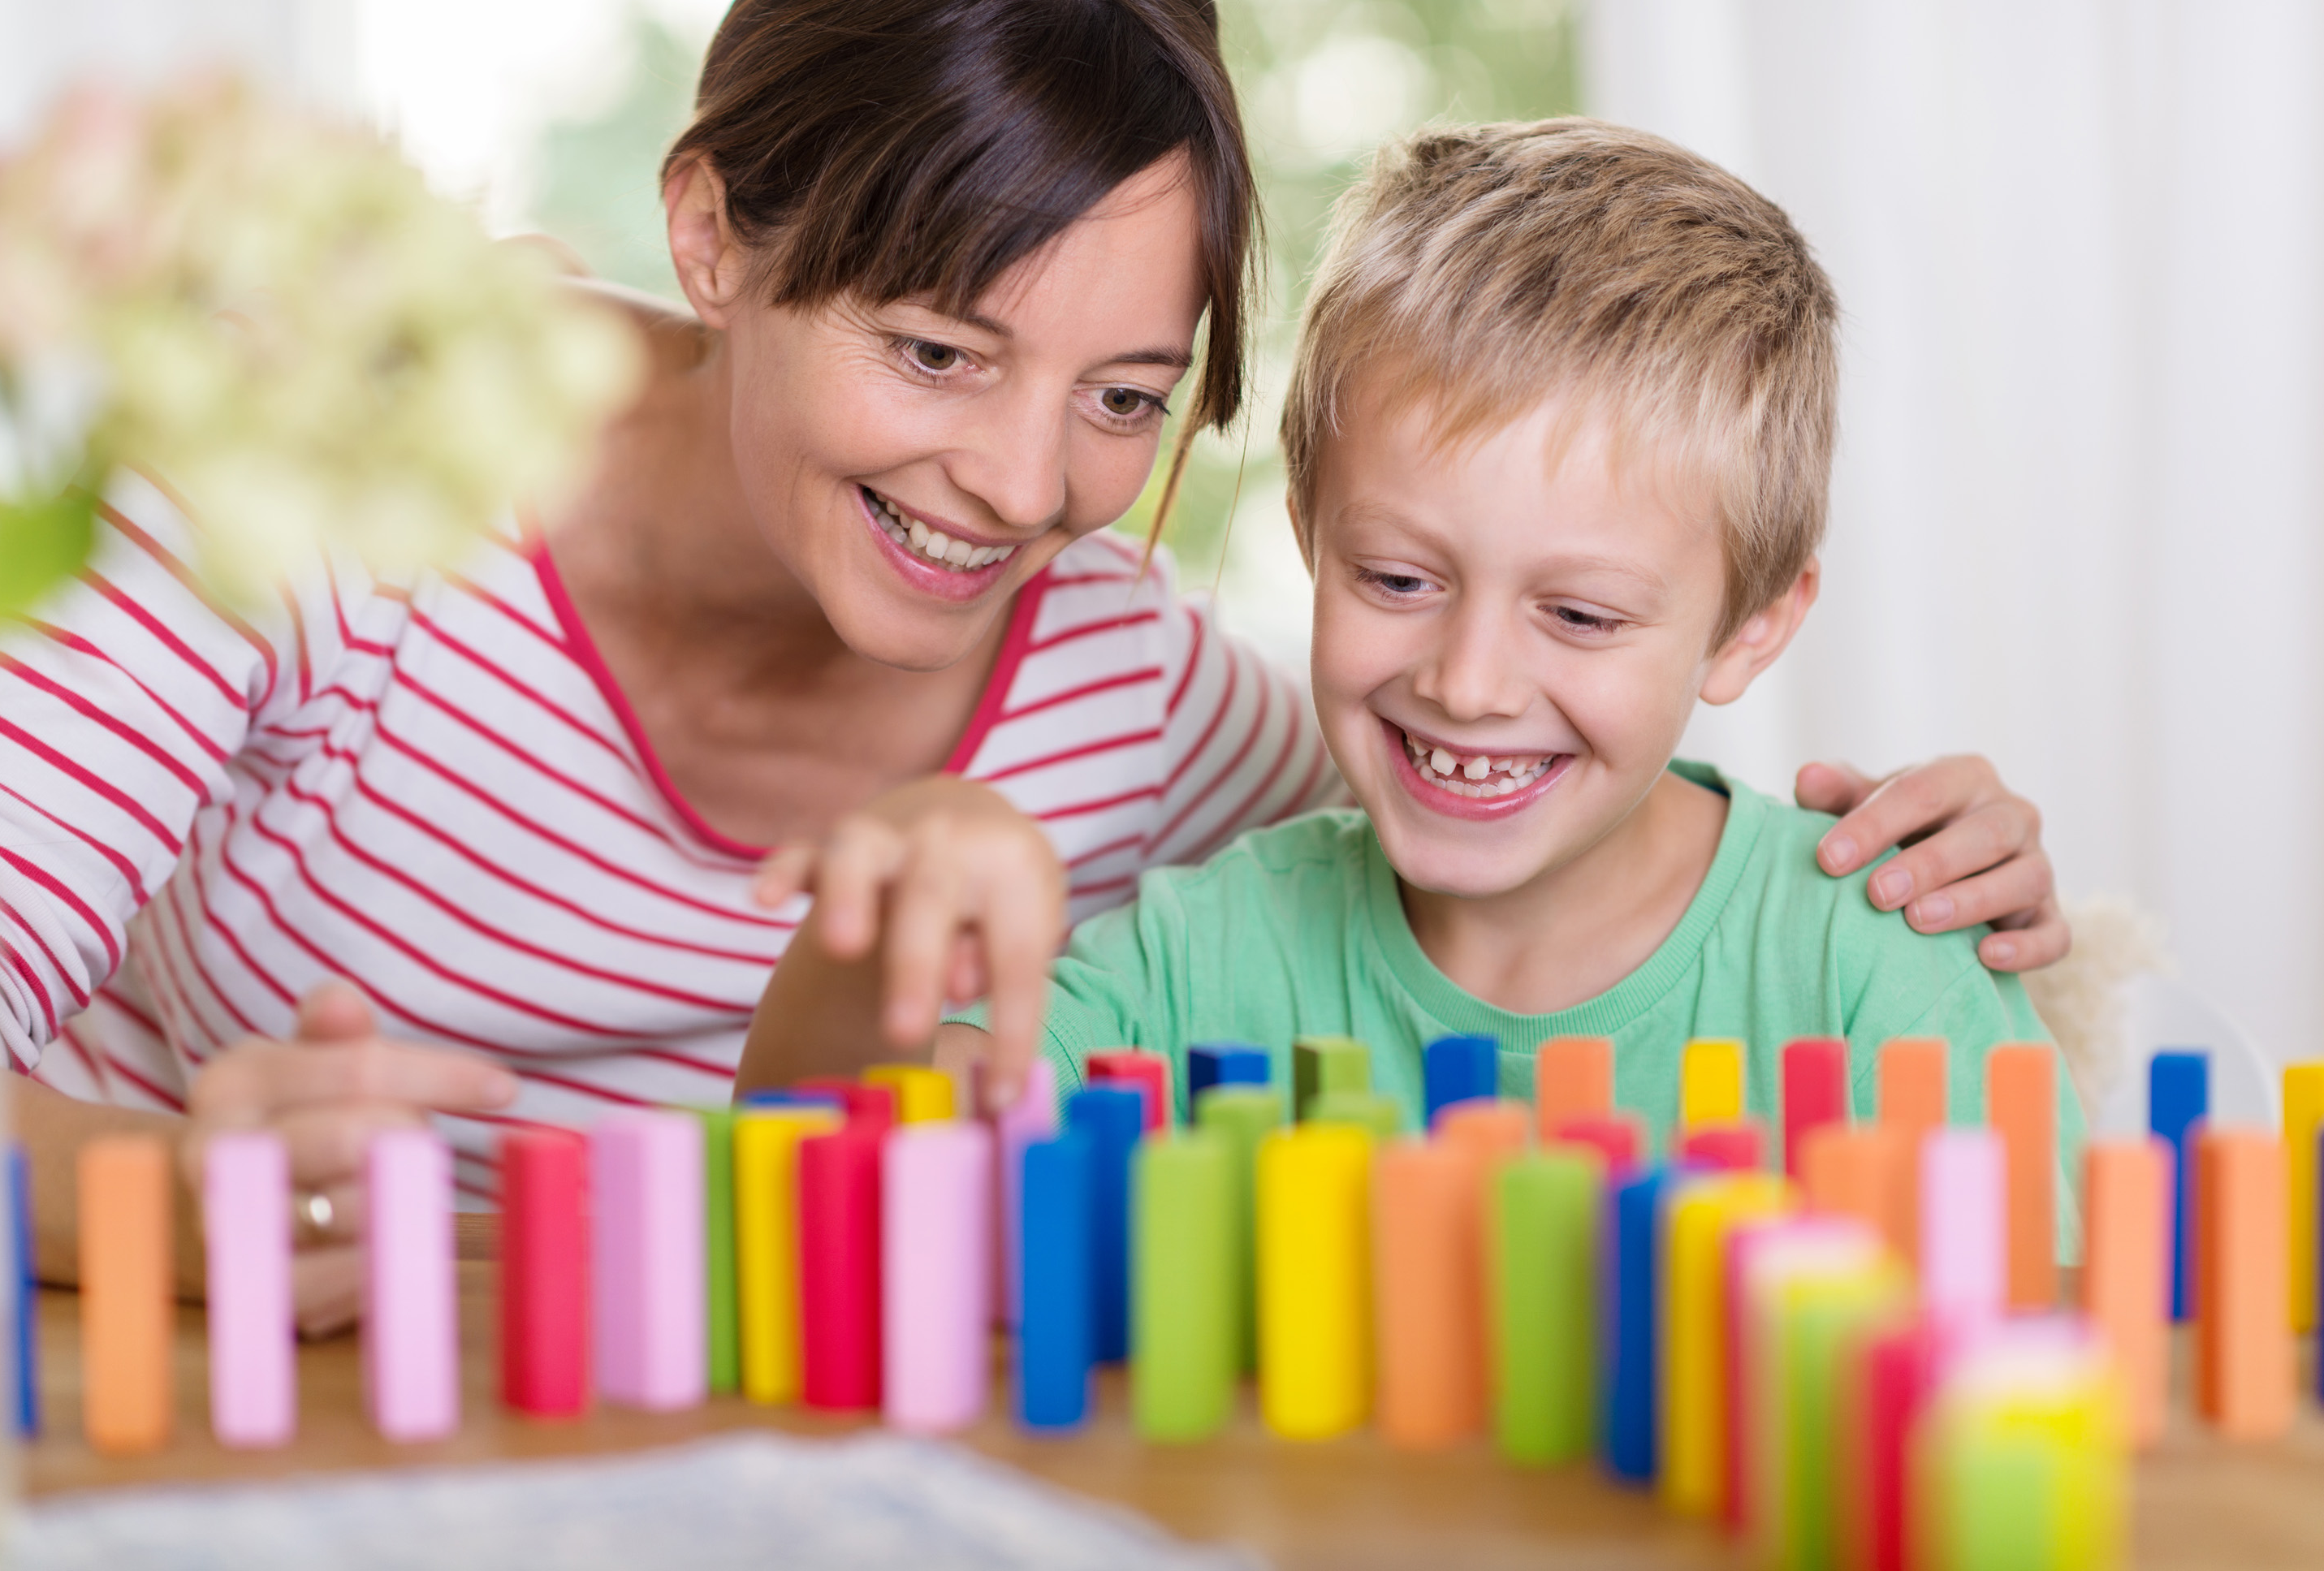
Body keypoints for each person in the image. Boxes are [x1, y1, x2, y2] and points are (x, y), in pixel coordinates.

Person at [0, 4, 2058, 1335]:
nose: (1018, 484)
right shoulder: (332, 481)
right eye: (937, 350)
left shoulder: (1132, 696)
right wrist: (145, 1197)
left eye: (1127, 394)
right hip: (184, 1405)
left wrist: (1957, 881)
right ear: (714, 231)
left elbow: (1475, 833)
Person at [741, 119, 2084, 1249]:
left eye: (1578, 613)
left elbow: (2052, 1381)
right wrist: (894, 907)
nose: (1471, 681)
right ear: (1312, 535)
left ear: (1748, 627)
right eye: (1398, 580)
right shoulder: (1200, 959)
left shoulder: (1877, 980)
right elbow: (883, 1190)